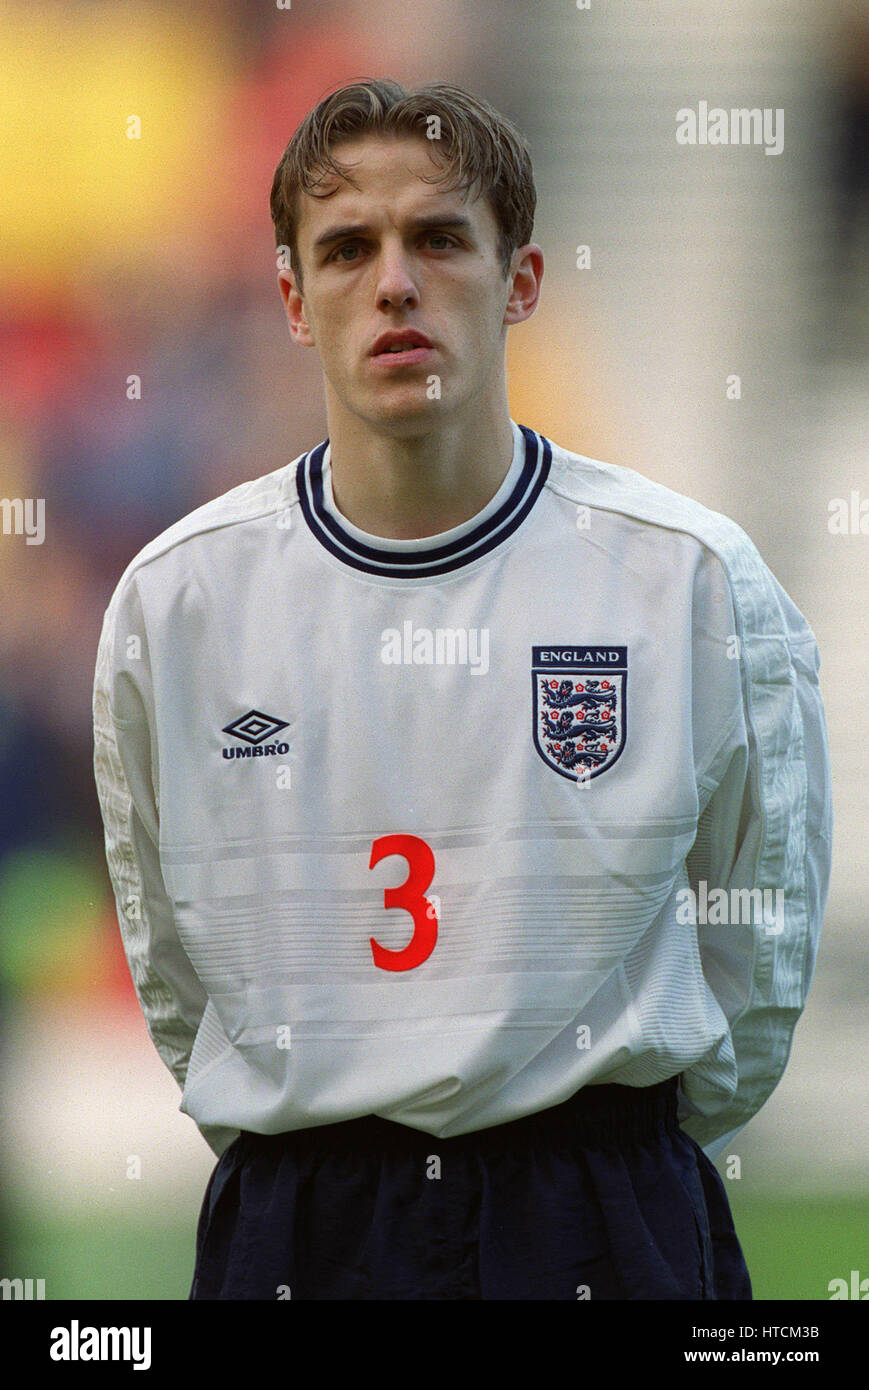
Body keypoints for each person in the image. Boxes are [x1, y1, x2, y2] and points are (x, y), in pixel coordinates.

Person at [92, 78, 833, 1301]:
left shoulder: (688, 580)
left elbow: (757, 948)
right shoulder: (177, 604)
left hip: (600, 1210)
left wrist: (607, 1143)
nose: (394, 284)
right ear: (290, 296)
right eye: (345, 249)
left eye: (437, 238)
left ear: (521, 280)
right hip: (302, 1221)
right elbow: (172, 966)